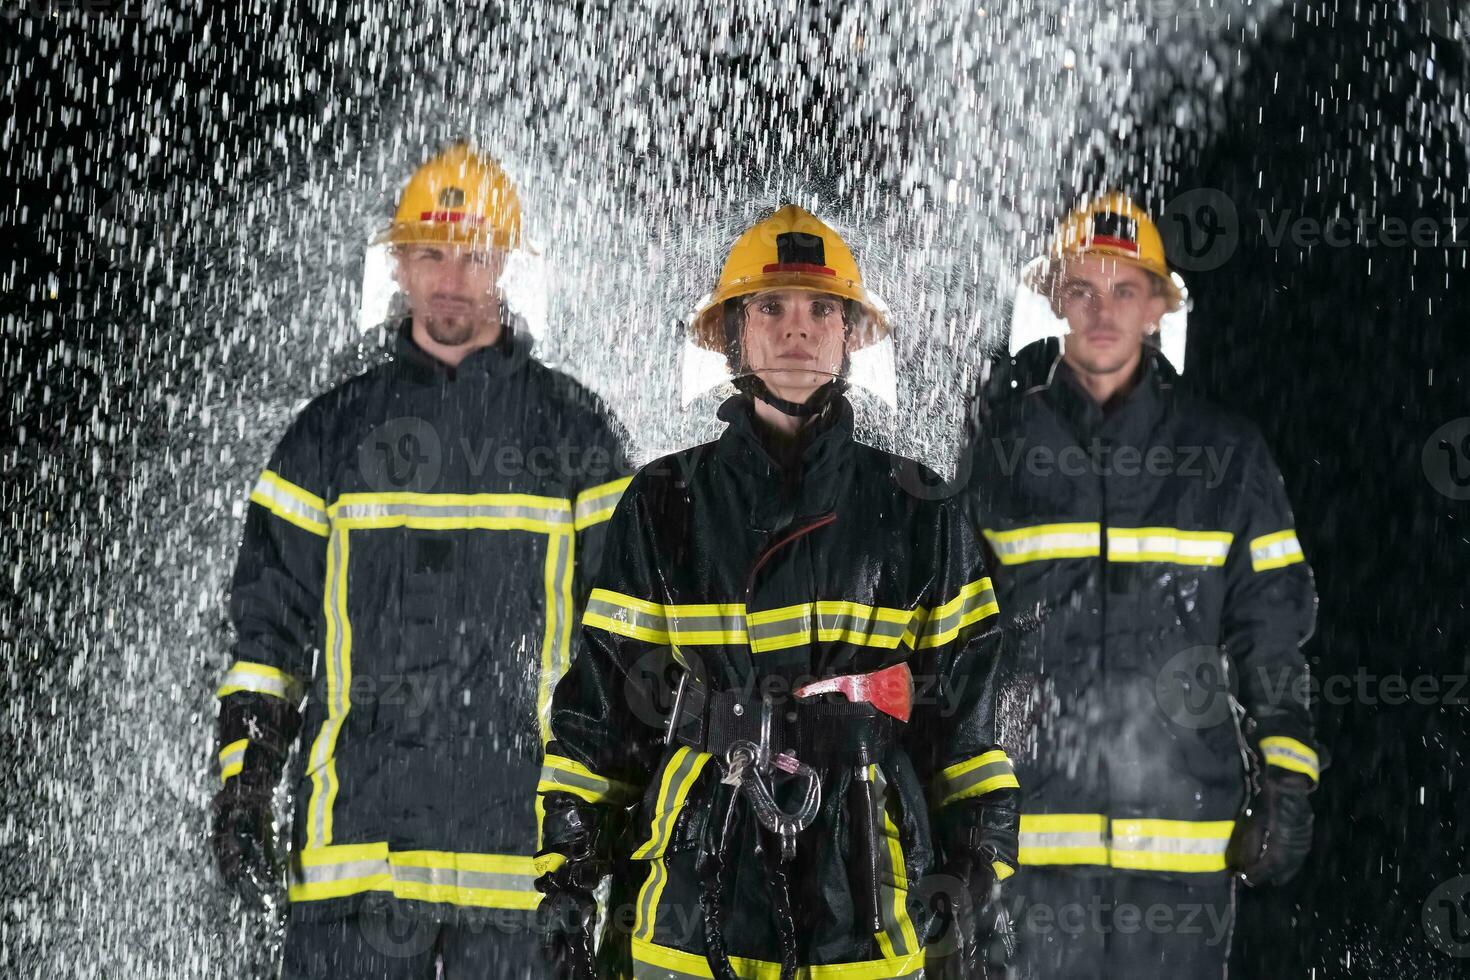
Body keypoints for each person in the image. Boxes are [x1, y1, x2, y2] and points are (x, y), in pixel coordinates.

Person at [534, 204, 1020, 980]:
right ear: (734, 332)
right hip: (695, 892)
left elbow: (963, 717)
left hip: (865, 897)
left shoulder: (917, 507)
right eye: (771, 307)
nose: (799, 329)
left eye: (822, 309)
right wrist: (567, 874)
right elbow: (605, 700)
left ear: (850, 335)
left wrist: (980, 873)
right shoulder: (663, 501)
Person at [210, 143, 632, 978]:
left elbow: (626, 650)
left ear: (506, 265)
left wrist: (615, 829)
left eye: (473, 254)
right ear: (397, 262)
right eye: (430, 252)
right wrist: (244, 782)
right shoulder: (327, 437)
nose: (451, 277)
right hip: (356, 868)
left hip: (526, 876)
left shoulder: (577, 440)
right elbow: (269, 637)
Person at [963, 192, 1319, 978]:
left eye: (1126, 289)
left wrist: (1288, 781)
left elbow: (1274, 632)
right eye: (1083, 288)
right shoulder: (996, 454)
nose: (1103, 311)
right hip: (1027, 859)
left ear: (1159, 306)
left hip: (1182, 859)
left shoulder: (1226, 456)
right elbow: (952, 645)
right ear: (1055, 299)